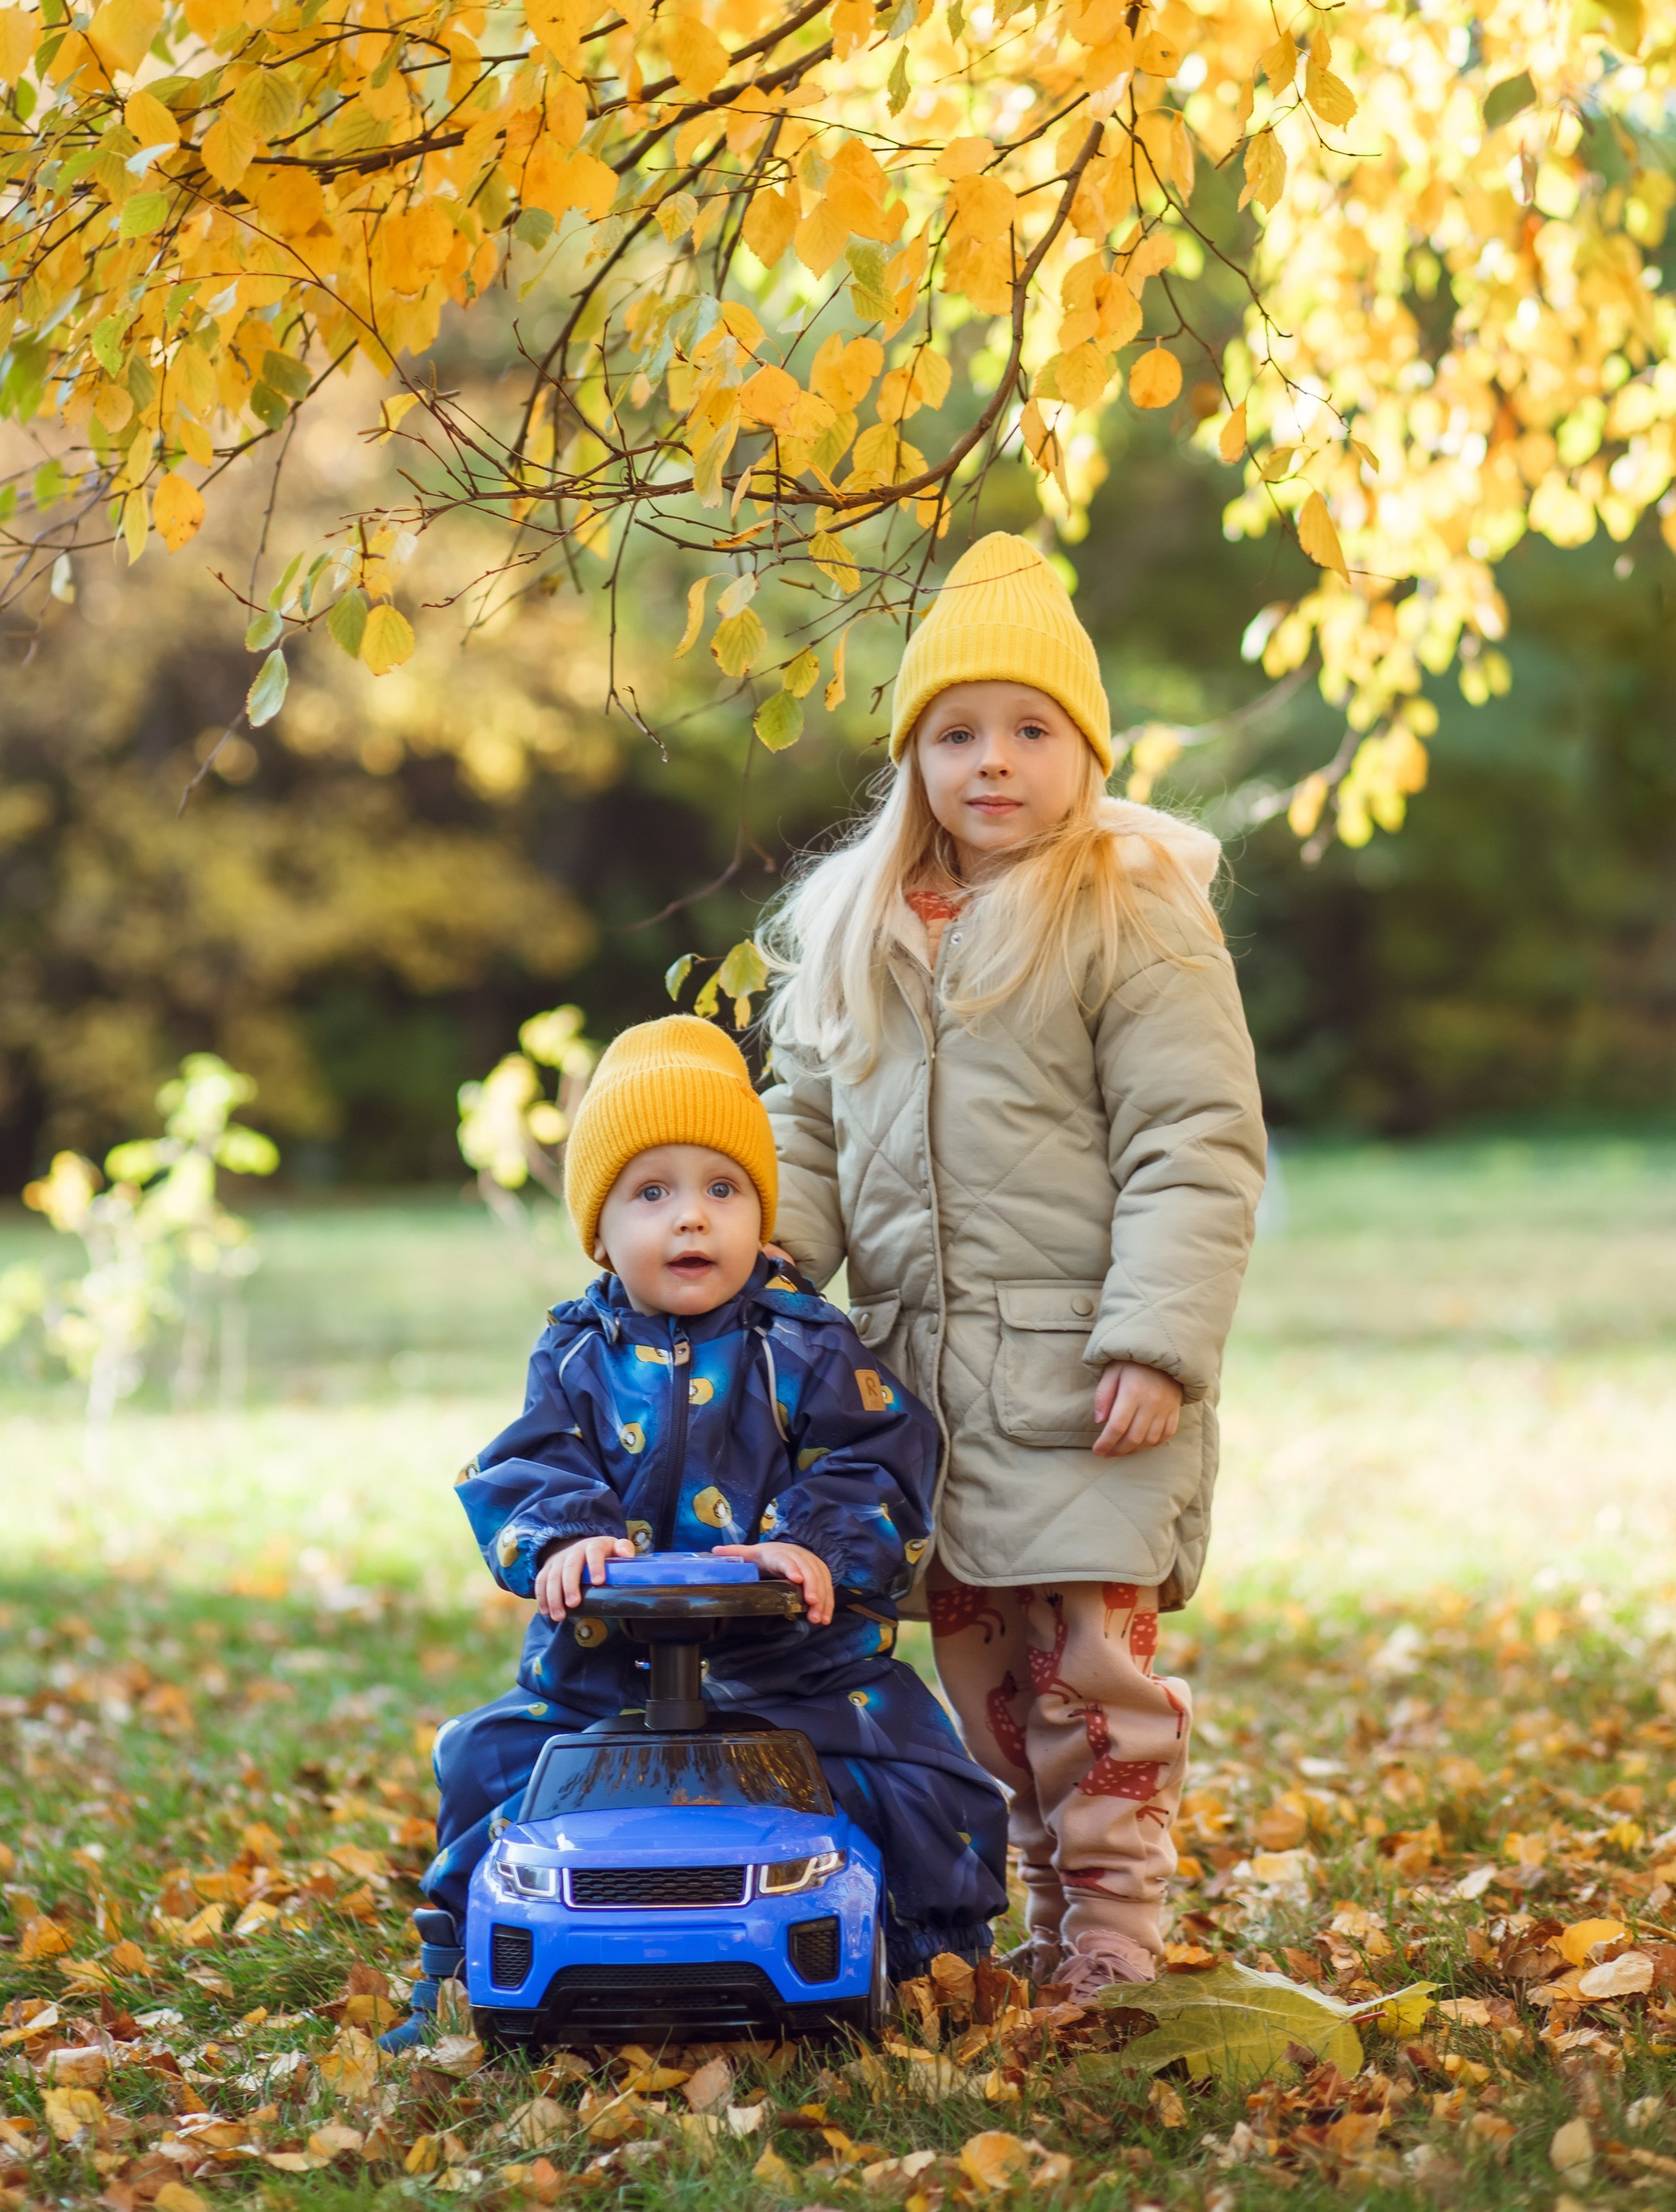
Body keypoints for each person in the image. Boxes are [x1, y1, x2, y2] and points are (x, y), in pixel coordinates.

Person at [759, 531, 1267, 2000]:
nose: (995, 761)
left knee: (1091, 1680)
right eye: (958, 732)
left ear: (1085, 751)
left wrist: (1158, 1341)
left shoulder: (1127, 905)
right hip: (913, 1379)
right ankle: (1044, 1909)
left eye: (1032, 730)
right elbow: (800, 1123)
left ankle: (1112, 1923)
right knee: (982, 1680)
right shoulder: (856, 927)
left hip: (1083, 1366)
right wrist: (771, 1293)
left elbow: (1193, 1136)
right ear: (913, 755)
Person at [385, 1015, 1008, 2048]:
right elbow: (532, 1457)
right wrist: (569, 1538)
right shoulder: (578, 1352)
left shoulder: (805, 1341)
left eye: (723, 1189)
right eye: (653, 1191)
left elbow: (877, 1451)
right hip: (605, 1671)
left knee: (921, 1775)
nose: (692, 1219)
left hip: (792, 1668)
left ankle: (937, 1954)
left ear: (763, 1218)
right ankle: (453, 1967)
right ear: (600, 1231)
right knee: (484, 1758)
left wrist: (815, 1543)